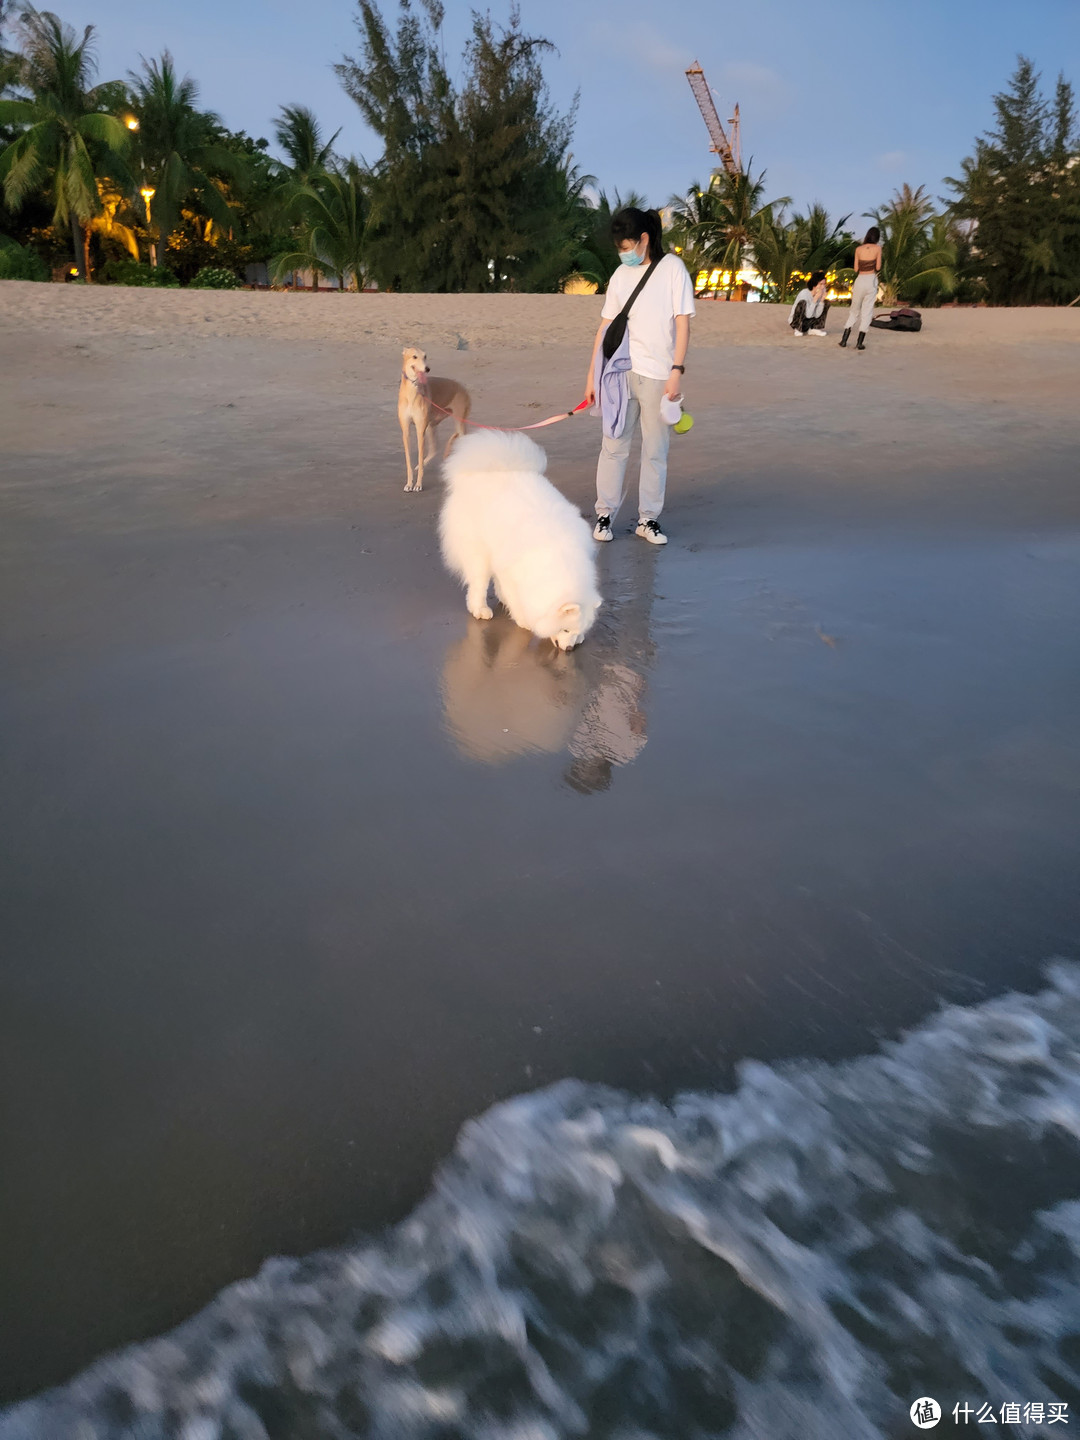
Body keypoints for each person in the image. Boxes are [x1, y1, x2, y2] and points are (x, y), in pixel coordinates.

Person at [583, 207, 695, 547]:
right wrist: (592, 376)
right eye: (619, 246)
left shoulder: (673, 269)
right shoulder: (619, 276)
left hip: (659, 374)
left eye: (627, 244)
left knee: (655, 450)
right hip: (619, 374)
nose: (623, 252)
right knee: (613, 445)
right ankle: (605, 515)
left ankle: (649, 520)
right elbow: (605, 327)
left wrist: (676, 371)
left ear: (645, 239)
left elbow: (682, 322)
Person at [840, 227, 882, 351]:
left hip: (860, 280)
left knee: (854, 310)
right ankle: (859, 342)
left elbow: (855, 269)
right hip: (870, 280)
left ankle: (844, 340)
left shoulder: (858, 249)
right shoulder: (878, 248)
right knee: (867, 311)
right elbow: (878, 267)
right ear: (877, 237)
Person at [788, 270, 830, 337]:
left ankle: (814, 328)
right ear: (814, 285)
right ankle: (798, 329)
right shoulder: (804, 294)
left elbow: (817, 315)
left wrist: (821, 300)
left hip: (809, 321)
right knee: (802, 303)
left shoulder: (819, 295)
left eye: (824, 284)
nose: (823, 287)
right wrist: (815, 300)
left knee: (826, 303)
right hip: (797, 321)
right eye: (821, 284)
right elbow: (808, 314)